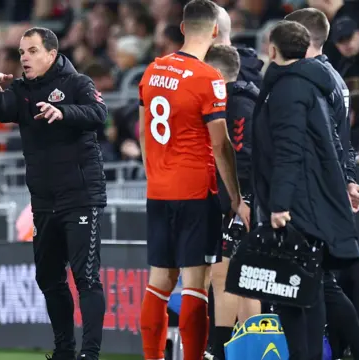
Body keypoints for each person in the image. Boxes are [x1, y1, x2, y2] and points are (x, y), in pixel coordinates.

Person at [0, 27, 107, 360]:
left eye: (32, 51)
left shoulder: (77, 83)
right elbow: (0, 110)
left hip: (80, 194)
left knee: (87, 277)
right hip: (44, 200)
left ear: (52, 54)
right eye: (22, 52)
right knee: (48, 277)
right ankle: (64, 350)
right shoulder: (21, 90)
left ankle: (89, 354)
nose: (25, 58)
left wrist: (63, 112)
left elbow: (98, 114)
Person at [137, 1, 251, 359]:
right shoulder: (209, 78)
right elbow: (221, 143)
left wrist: (154, 171)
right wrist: (235, 198)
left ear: (183, 28)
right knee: (195, 284)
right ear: (215, 32)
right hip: (195, 192)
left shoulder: (152, 71)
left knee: (158, 282)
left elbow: (144, 134)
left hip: (158, 191)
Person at [251, 20, 359, 360]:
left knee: (298, 295)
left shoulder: (289, 89)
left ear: (272, 50)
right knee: (304, 293)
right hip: (307, 202)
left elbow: (289, 150)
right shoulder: (303, 85)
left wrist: (279, 205)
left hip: (298, 207)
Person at [283, 9, 359, 360]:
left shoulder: (313, 80)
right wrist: (348, 179)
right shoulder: (332, 77)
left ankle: (358, 353)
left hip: (312, 195)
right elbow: (341, 142)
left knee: (317, 284)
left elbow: (323, 142)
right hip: (324, 192)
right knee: (320, 283)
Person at [203, 44, 260, 360]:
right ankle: (221, 348)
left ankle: (251, 348)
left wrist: (241, 201)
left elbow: (244, 159)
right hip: (228, 200)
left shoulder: (240, 104)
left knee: (246, 277)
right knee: (222, 275)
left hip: (242, 202)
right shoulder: (224, 102)